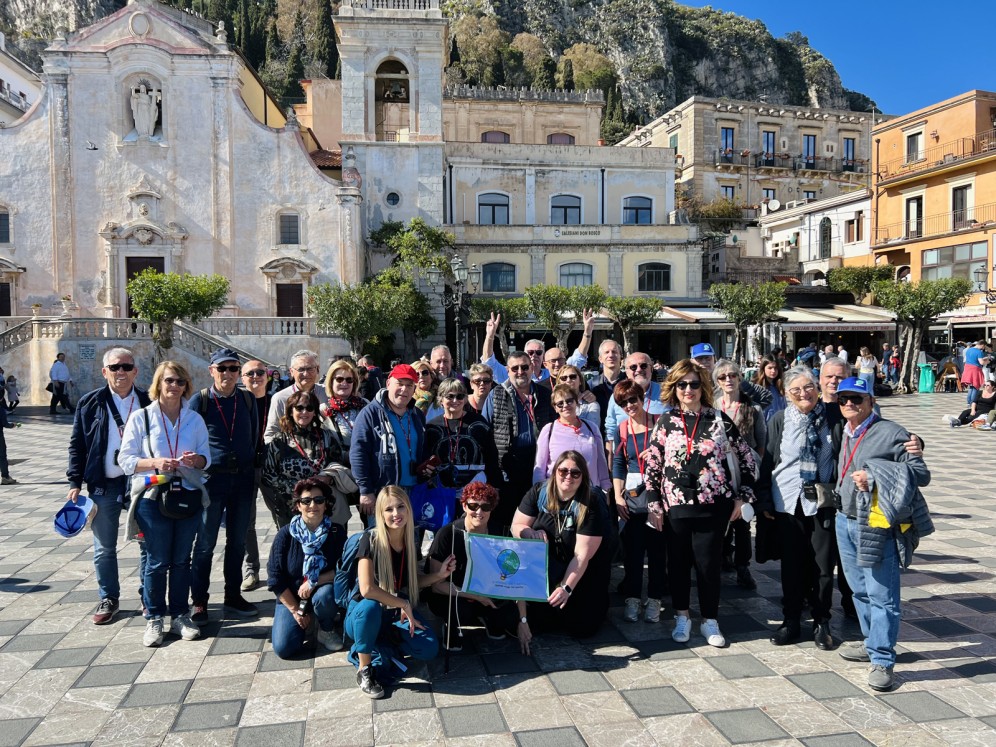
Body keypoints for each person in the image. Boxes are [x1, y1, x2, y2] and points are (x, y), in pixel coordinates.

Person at [643, 359, 757, 647]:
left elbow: (747, 459)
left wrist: (742, 496)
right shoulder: (666, 422)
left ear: (703, 386)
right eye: (682, 384)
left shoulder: (719, 419)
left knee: (708, 566)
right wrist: (654, 503)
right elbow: (654, 466)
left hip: (714, 506)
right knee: (678, 565)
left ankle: (710, 620)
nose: (688, 389)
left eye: (694, 383)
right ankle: (683, 616)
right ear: (674, 388)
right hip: (676, 507)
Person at [833, 377, 932, 691]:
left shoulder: (892, 433)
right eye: (843, 399)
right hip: (843, 519)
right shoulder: (844, 430)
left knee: (882, 595)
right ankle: (870, 642)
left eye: (857, 399)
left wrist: (875, 476)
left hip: (874, 523)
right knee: (858, 590)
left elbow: (921, 473)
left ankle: (883, 659)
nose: (849, 404)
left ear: (870, 402)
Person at [118, 361, 210, 648]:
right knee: (157, 562)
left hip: (186, 496)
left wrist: (197, 460)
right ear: (159, 383)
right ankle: (155, 617)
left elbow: (207, 460)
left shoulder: (194, 419)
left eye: (180, 382)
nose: (175, 386)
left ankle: (180, 615)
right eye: (169, 380)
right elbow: (126, 461)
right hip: (152, 496)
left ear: (187, 386)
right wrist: (156, 462)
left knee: (182, 560)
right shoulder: (141, 418)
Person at [755, 366, 842, 651]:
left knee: (823, 565)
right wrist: (764, 499)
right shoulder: (779, 419)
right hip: (787, 501)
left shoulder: (834, 416)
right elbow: (768, 460)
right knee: (791, 566)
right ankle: (791, 621)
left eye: (808, 387)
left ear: (817, 388)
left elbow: (869, 429)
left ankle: (822, 621)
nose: (804, 394)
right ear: (786, 394)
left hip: (822, 501)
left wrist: (915, 441)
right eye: (796, 390)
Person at [344, 486, 457, 698]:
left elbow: (411, 581)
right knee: (370, 608)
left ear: (409, 509)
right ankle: (364, 668)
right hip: (362, 614)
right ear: (380, 514)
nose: (396, 514)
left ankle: (380, 643)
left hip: (393, 612)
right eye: (389, 510)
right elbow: (367, 589)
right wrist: (403, 604)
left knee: (429, 647)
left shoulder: (409, 540)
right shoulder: (369, 540)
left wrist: (440, 575)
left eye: (400, 507)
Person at [66, 347, 151, 624]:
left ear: (135, 371)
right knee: (104, 546)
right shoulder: (90, 403)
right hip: (104, 482)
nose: (121, 372)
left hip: (140, 483)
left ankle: (147, 596)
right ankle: (109, 597)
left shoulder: (149, 401)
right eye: (115, 367)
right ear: (105, 372)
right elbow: (77, 444)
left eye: (126, 366)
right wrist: (74, 481)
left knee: (147, 542)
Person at [187, 348, 260, 624]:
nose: (228, 374)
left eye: (233, 368)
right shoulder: (201, 401)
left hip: (242, 481)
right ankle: (200, 600)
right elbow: (189, 435)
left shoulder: (248, 399)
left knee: (237, 541)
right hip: (212, 481)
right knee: (205, 543)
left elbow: (253, 436)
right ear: (211, 371)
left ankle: (233, 595)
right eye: (222, 368)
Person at [512, 451, 613, 638]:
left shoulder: (590, 502)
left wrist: (566, 588)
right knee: (539, 622)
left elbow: (582, 556)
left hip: (583, 570)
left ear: (583, 477)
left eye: (575, 473)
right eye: (563, 471)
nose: (568, 476)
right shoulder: (539, 492)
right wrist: (529, 532)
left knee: (583, 628)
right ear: (555, 471)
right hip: (549, 566)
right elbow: (516, 526)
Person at [426, 482, 528, 650]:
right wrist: (477, 596)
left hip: (488, 591)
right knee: (460, 610)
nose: (479, 512)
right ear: (464, 505)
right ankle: (451, 628)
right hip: (453, 593)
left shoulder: (500, 533)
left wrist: (523, 620)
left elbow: (516, 578)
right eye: (473, 505)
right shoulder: (447, 534)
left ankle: (489, 619)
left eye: (485, 507)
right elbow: (436, 586)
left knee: (510, 614)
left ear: (492, 508)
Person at [267, 478, 347, 658]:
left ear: (326, 504)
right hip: (293, 596)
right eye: (306, 501)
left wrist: (314, 581)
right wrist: (295, 610)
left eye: (319, 500)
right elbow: (274, 578)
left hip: (322, 593)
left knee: (325, 595)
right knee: (284, 648)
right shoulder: (285, 534)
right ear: (298, 505)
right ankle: (306, 619)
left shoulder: (336, 532)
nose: (313, 505)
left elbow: (344, 569)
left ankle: (326, 629)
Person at [611, 380, 666, 624]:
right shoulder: (622, 428)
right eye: (623, 403)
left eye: (633, 399)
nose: (630, 405)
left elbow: (674, 455)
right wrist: (616, 495)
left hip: (659, 495)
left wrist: (656, 454)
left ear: (642, 397)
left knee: (657, 551)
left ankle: (655, 599)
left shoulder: (660, 423)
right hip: (632, 497)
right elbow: (618, 463)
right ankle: (632, 598)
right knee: (632, 552)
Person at [482, 350, 554, 533]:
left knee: (535, 520)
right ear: (508, 370)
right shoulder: (496, 394)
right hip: (507, 468)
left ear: (532, 368)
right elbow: (485, 434)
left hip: (537, 466)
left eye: (524, 367)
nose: (520, 371)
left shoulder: (545, 395)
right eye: (515, 368)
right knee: (506, 520)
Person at [714, 360, 766, 590]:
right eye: (723, 377)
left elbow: (761, 443)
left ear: (739, 377)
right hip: (718, 471)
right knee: (719, 517)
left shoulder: (753, 408)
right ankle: (722, 556)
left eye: (732, 375)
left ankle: (743, 565)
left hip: (744, 471)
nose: (728, 380)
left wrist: (753, 470)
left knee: (743, 520)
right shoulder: (712, 406)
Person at [350, 364, 426, 523]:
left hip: (414, 491)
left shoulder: (417, 414)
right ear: (388, 383)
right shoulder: (369, 413)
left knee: (411, 541)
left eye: (409, 385)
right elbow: (358, 453)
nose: (404, 390)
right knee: (382, 543)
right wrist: (365, 490)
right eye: (400, 384)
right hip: (383, 492)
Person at [262, 388, 347, 526]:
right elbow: (268, 475)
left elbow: (338, 462)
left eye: (309, 408)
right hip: (291, 508)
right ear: (291, 411)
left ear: (314, 412)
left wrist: (329, 478)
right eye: (299, 408)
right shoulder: (279, 441)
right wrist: (299, 490)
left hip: (323, 506)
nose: (304, 412)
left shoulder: (326, 437)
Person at [422, 379, 503, 491]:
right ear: (440, 399)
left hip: (476, 490)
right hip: (441, 491)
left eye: (460, 396)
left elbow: (491, 457)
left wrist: (495, 486)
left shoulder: (479, 423)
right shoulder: (432, 427)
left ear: (465, 399)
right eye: (450, 396)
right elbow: (426, 461)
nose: (455, 400)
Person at [479, 310, 594, 386]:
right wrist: (490, 336)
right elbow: (489, 363)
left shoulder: (554, 372)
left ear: (544, 359)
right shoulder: (512, 373)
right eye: (530, 352)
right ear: (524, 355)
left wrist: (587, 332)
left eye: (538, 352)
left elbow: (579, 357)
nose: (534, 355)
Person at [533, 383, 611, 491]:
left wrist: (606, 488)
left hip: (589, 493)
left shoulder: (592, 428)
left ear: (576, 402)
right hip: (557, 494)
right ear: (555, 408)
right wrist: (539, 492)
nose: (565, 405)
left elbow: (601, 462)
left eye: (569, 401)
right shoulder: (549, 430)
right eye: (560, 403)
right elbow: (539, 468)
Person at [240, 358, 272, 593]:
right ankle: (251, 569)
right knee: (247, 521)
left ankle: (285, 565)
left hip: (272, 465)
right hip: (246, 467)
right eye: (250, 373)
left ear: (267, 376)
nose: (255, 377)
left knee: (284, 516)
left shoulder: (278, 401)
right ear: (243, 378)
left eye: (260, 372)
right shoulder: (238, 403)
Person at [604, 351, 667, 453]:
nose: (639, 370)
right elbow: (610, 431)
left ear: (651, 369)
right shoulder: (617, 396)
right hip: (628, 460)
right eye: (633, 367)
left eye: (643, 366)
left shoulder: (666, 393)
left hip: (662, 457)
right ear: (626, 371)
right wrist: (611, 463)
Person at [264, 350, 328, 444]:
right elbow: (271, 434)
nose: (306, 374)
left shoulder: (327, 393)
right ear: (291, 371)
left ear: (317, 369)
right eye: (301, 369)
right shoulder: (280, 398)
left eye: (310, 368)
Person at [690, 343, 772, 409]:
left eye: (708, 358)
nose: (704, 362)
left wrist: (749, 413)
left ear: (714, 358)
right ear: (692, 361)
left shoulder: (727, 377)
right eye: (699, 359)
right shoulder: (688, 382)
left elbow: (765, 396)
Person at [321, 359, 368, 464]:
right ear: (331, 381)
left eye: (349, 380)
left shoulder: (365, 405)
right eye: (339, 379)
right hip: (340, 467)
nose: (344, 383)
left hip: (367, 463)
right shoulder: (323, 410)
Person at [589, 339, 626, 437]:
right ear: (600, 358)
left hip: (625, 436)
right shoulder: (591, 385)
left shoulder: (629, 384)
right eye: (607, 352)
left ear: (621, 356)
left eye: (614, 352)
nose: (611, 355)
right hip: (598, 436)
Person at [555, 364, 600, 432]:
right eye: (564, 378)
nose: (568, 380)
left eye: (573, 377)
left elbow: (592, 431)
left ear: (580, 381)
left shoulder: (591, 405)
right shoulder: (554, 405)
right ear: (559, 383)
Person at [754, 354, 787, 422]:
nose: (773, 371)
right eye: (770, 368)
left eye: (775, 368)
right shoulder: (757, 388)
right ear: (763, 368)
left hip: (780, 425)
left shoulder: (780, 386)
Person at [961, 340, 990, 404]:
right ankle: (973, 402)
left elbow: (971, 359)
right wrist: (987, 361)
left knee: (971, 387)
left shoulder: (969, 350)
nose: (984, 348)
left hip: (967, 368)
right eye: (984, 346)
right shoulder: (979, 352)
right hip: (975, 370)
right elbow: (981, 362)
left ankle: (969, 402)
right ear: (982, 345)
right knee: (976, 386)